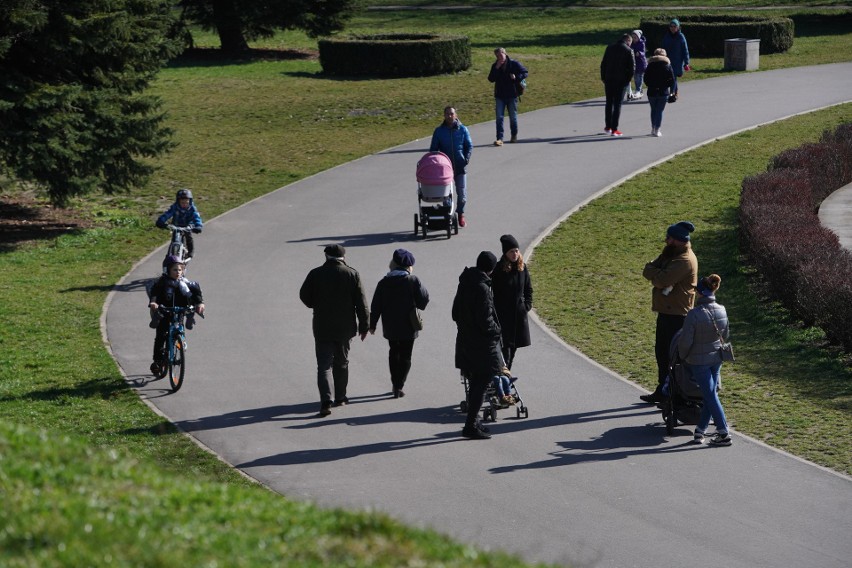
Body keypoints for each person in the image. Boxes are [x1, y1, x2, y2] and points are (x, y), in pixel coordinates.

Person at [299, 244, 369, 417]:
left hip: (322, 326)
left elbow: (304, 295)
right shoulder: (352, 274)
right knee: (342, 362)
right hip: (345, 328)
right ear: (343, 257)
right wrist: (364, 326)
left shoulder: (316, 274)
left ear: (326, 256)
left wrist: (315, 304)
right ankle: (341, 397)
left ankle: (325, 401)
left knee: (324, 365)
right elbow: (361, 303)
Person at [640, 221, 698, 403]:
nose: (666, 240)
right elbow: (647, 269)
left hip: (677, 316)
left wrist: (657, 275)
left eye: (669, 238)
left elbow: (661, 280)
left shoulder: (684, 260)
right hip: (666, 313)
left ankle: (672, 391)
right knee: (662, 352)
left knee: (673, 356)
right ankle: (662, 389)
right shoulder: (670, 254)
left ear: (679, 240)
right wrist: (657, 274)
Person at [452, 251, 503, 439]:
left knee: (475, 382)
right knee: (482, 382)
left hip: (466, 340)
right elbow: (485, 319)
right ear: (491, 269)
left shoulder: (465, 283)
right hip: (482, 344)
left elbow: (455, 313)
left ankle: (473, 423)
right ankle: (470, 425)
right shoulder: (481, 287)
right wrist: (497, 330)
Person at [678, 274, 732, 446]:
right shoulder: (722, 309)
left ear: (700, 293)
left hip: (698, 361)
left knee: (709, 395)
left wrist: (682, 356)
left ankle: (723, 432)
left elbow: (686, 341)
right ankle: (700, 430)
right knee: (711, 394)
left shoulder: (694, 314)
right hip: (716, 358)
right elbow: (725, 334)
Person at [369, 248, 430, 398]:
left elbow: (375, 305)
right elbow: (424, 301)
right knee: (406, 356)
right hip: (409, 326)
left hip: (390, 326)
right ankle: (399, 385)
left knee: (393, 353)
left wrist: (372, 325)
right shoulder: (413, 280)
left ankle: (395, 384)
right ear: (409, 266)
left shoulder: (383, 283)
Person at [147, 255, 205, 375]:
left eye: (180, 270)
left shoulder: (185, 283)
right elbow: (155, 293)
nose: (178, 272)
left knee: (179, 329)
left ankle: (180, 340)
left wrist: (200, 303)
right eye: (175, 269)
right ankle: (157, 361)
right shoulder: (162, 283)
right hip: (165, 312)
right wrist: (153, 302)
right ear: (167, 270)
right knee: (161, 335)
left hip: (179, 311)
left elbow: (196, 294)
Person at [491, 234, 533, 370]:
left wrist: (526, 305)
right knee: (505, 352)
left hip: (518, 317)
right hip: (503, 317)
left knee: (513, 351)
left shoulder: (522, 268)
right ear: (505, 253)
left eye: (516, 250)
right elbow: (490, 290)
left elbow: (528, 288)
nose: (515, 254)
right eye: (511, 251)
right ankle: (502, 379)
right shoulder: (498, 269)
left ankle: (504, 377)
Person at [430, 106, 473, 228]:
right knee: (446, 195)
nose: (449, 116)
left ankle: (460, 213)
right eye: (447, 114)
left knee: (462, 195)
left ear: (456, 115)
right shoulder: (439, 131)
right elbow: (433, 150)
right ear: (444, 115)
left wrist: (466, 159)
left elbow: (469, 146)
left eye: (451, 114)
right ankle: (447, 216)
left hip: (460, 166)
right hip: (445, 169)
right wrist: (437, 162)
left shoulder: (463, 129)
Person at [487, 47, 528, 147]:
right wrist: (496, 68)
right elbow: (491, 79)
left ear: (505, 54)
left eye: (500, 55)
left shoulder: (514, 64)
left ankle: (514, 135)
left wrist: (517, 77)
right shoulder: (495, 66)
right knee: (499, 118)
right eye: (497, 56)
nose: (499, 57)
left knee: (513, 117)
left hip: (512, 95)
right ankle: (499, 139)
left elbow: (525, 72)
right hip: (500, 95)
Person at [600, 33, 635, 137]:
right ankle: (614, 129)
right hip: (621, 81)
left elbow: (603, 64)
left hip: (609, 79)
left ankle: (608, 127)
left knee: (609, 102)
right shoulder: (629, 51)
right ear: (628, 41)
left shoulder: (609, 48)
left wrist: (603, 77)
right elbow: (632, 68)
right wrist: (627, 80)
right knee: (618, 104)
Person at [156, 188, 203, 261]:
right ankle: (169, 255)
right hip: (176, 226)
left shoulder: (192, 209)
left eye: (186, 203)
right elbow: (167, 214)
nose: (184, 204)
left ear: (190, 202)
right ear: (178, 202)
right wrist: (161, 221)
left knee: (189, 237)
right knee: (174, 240)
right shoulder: (175, 207)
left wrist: (198, 226)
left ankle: (191, 251)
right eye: (182, 202)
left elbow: (196, 217)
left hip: (188, 226)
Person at [643, 48, 675, 137]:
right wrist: (667, 86)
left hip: (652, 90)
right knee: (660, 110)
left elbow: (645, 78)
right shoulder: (667, 65)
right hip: (663, 91)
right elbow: (672, 80)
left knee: (653, 109)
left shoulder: (650, 65)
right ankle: (657, 129)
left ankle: (653, 128)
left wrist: (650, 84)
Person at [661, 18, 690, 102]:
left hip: (677, 61)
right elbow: (662, 48)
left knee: (673, 77)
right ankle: (674, 92)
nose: (673, 28)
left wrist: (686, 62)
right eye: (671, 26)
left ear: (678, 27)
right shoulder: (666, 36)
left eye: (674, 26)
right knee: (670, 78)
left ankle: (673, 93)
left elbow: (685, 49)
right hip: (667, 60)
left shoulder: (681, 36)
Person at [628, 29, 647, 100]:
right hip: (634, 63)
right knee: (636, 77)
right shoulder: (631, 44)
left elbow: (643, 52)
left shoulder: (642, 43)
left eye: (635, 37)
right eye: (632, 37)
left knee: (639, 76)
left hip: (641, 63)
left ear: (638, 37)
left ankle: (638, 90)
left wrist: (639, 53)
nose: (633, 39)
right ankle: (639, 90)